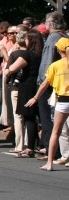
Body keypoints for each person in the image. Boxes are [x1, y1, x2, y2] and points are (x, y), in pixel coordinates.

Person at [26, 37, 69, 171]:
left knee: (56, 132)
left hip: (62, 101)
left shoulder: (55, 65)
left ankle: (49, 163)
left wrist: (35, 98)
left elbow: (45, 84)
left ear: (58, 49)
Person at [5, 29, 41, 157]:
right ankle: (38, 145)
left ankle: (29, 148)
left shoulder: (28, 54)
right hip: (37, 85)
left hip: (27, 86)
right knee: (36, 117)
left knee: (28, 117)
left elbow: (13, 68)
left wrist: (8, 69)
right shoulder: (40, 53)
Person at [35, 12, 66, 155]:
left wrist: (43, 81)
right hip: (59, 82)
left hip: (48, 83)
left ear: (52, 24)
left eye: (46, 23)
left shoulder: (53, 38)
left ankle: (50, 149)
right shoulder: (64, 37)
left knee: (47, 117)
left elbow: (47, 62)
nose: (45, 25)